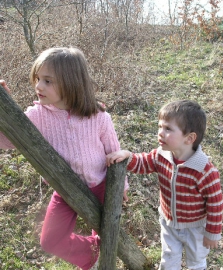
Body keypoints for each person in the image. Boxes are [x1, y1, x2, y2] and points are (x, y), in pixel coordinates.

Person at [0, 47, 128, 270]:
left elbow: (114, 152)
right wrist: (5, 113)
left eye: (48, 81)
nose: (39, 86)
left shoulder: (98, 116)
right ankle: (91, 256)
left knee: (105, 234)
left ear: (71, 82)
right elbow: (9, 141)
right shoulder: (37, 115)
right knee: (50, 240)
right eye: (38, 78)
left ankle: (101, 260)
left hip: (102, 185)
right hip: (66, 189)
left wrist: (121, 187)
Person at [106, 99, 223, 270]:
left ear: (189, 138)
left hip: (195, 227)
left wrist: (212, 233)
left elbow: (215, 203)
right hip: (169, 223)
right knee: (168, 262)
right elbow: (143, 163)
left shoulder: (204, 170)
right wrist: (128, 156)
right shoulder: (161, 156)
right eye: (160, 127)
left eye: (168, 129)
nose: (160, 133)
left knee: (196, 263)